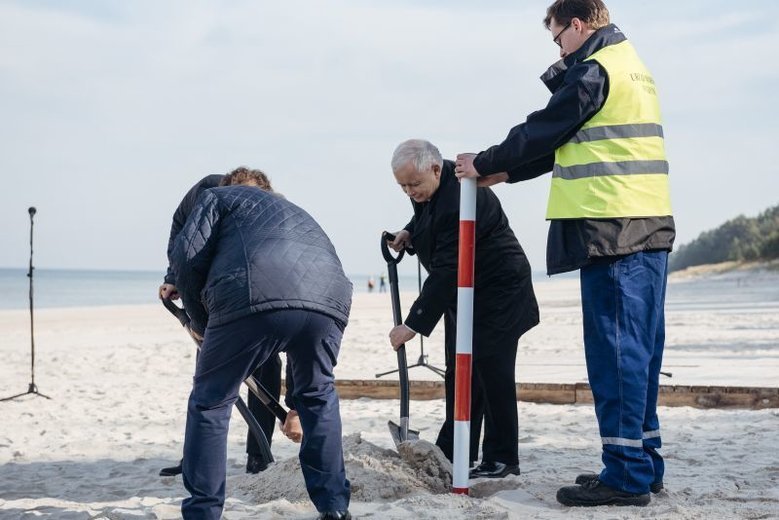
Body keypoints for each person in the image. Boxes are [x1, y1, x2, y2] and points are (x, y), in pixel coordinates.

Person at [453, 0, 674, 507]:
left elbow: (548, 126)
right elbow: (573, 141)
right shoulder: (631, 66)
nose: (558, 48)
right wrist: (508, 172)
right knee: (639, 354)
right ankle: (642, 463)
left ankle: (625, 477)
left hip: (612, 228)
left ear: (577, 24)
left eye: (557, 38)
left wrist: (482, 160)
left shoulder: (596, 68)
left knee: (616, 355)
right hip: (647, 228)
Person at [171, 167, 353, 520]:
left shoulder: (216, 196)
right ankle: (334, 507)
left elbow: (186, 256)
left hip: (254, 294)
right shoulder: (295, 209)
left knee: (211, 402)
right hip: (330, 298)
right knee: (318, 398)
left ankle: (203, 512)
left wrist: (199, 323)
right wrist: (295, 404)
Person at [387, 139, 539, 479]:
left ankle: (502, 459)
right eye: (403, 186)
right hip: (466, 294)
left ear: (436, 169)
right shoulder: (434, 187)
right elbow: (430, 214)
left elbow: (446, 270)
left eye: (414, 184)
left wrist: (411, 325)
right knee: (460, 370)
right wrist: (409, 231)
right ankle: (457, 449)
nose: (410, 192)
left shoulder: (460, 194)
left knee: (491, 372)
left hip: (497, 290)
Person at [158, 169, 301, 477]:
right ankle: (194, 459)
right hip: (215, 290)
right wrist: (174, 278)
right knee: (208, 378)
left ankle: (258, 455)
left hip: (258, 294)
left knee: (267, 367)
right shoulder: (206, 191)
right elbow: (180, 231)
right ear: (225, 188)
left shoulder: (276, 205)